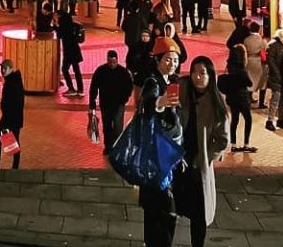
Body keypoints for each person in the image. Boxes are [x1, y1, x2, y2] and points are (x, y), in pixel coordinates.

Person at [173, 56, 229, 247]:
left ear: (210, 76)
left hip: (197, 164)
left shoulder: (215, 103)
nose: (197, 77)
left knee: (198, 212)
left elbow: (223, 140)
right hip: (177, 159)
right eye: (195, 71)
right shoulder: (182, 90)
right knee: (171, 207)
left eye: (202, 73)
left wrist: (205, 158)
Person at [135, 36, 184, 247]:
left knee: (155, 209)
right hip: (157, 157)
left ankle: (152, 242)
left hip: (164, 153)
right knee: (166, 210)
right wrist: (159, 103)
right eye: (167, 59)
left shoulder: (170, 81)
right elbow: (145, 106)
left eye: (175, 60)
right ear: (157, 60)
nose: (172, 63)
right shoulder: (153, 83)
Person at [89, 49, 133, 154]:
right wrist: (92, 102)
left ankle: (117, 147)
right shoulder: (100, 71)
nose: (112, 64)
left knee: (118, 127)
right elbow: (94, 87)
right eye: (110, 62)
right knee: (107, 126)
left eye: (114, 62)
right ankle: (108, 147)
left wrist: (124, 99)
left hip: (119, 104)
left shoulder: (123, 72)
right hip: (105, 104)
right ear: (107, 60)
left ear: (117, 60)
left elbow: (129, 87)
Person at [218, 45, 255, 153]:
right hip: (242, 98)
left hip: (232, 97)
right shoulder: (241, 70)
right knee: (248, 119)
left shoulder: (230, 67)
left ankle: (233, 144)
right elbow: (249, 83)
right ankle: (246, 144)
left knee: (234, 120)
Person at [0, 59, 24, 168]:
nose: (2, 70)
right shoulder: (12, 80)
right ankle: (14, 167)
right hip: (12, 119)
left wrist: (7, 120)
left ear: (11, 69)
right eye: (2, 68)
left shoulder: (13, 83)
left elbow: (15, 103)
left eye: (5, 68)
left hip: (9, 119)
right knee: (12, 143)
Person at [264, 31, 283, 131]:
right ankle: (270, 120)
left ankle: (280, 119)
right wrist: (278, 74)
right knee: (276, 97)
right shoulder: (273, 45)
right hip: (276, 77)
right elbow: (271, 62)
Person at [56, 9, 84, 95]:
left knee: (65, 69)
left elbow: (60, 34)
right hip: (75, 49)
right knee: (76, 69)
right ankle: (80, 89)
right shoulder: (70, 24)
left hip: (69, 51)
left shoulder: (63, 25)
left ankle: (71, 88)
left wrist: (56, 26)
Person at [242, 21, 266, 106]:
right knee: (262, 83)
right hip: (259, 61)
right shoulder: (261, 40)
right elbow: (264, 50)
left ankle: (248, 100)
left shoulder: (246, 39)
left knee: (250, 81)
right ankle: (261, 103)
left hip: (249, 60)